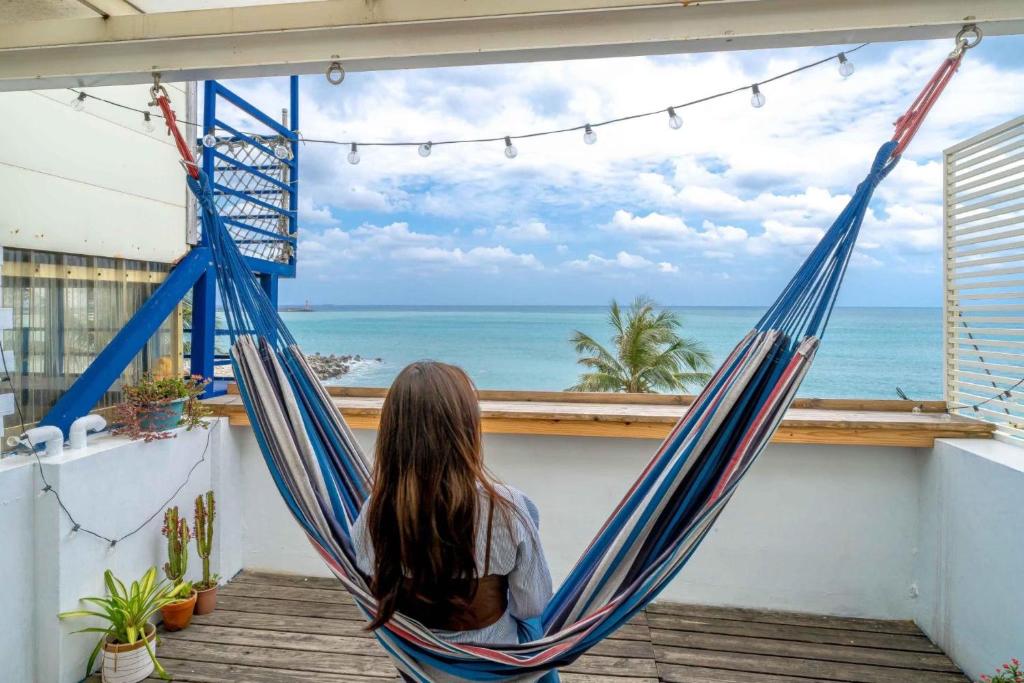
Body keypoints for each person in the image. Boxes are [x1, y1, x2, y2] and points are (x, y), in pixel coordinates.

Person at [351, 361, 553, 681]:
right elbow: (533, 603)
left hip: (419, 666)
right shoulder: (510, 509)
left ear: (392, 435)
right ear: (467, 430)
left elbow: (370, 581)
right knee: (540, 636)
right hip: (493, 667)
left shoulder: (373, 515)